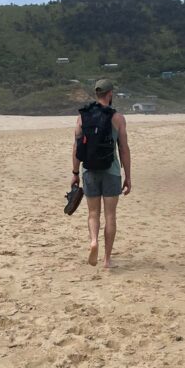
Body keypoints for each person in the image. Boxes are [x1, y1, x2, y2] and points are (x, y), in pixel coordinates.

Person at [72, 79, 131, 269]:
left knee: (93, 213)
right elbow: (123, 148)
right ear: (110, 94)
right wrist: (128, 175)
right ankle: (106, 259)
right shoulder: (118, 118)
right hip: (111, 172)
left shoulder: (83, 117)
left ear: (97, 94)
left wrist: (75, 173)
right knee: (110, 215)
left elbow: (77, 146)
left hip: (89, 170)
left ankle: (93, 241)